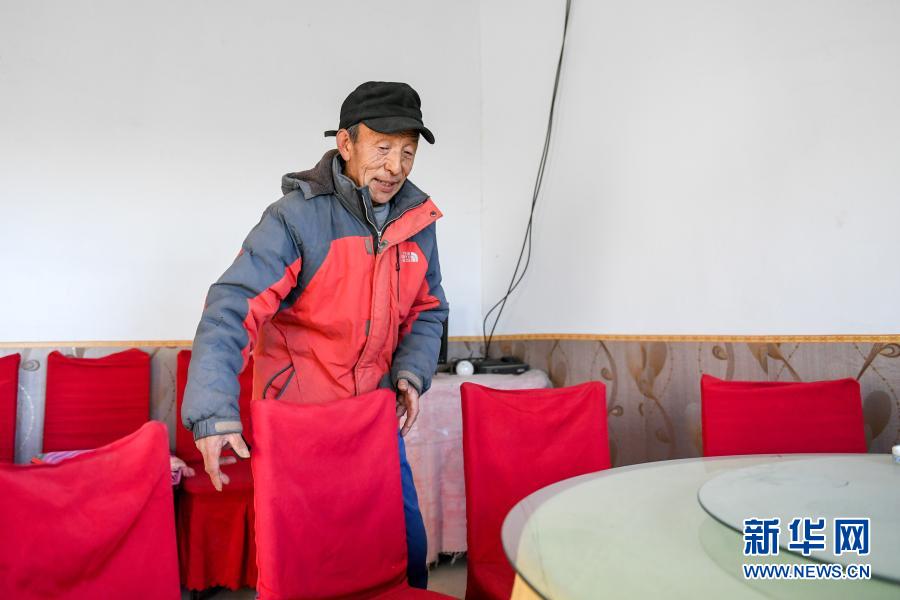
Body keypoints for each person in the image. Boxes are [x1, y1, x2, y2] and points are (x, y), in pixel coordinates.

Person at [182, 81, 448, 588]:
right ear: (346, 144)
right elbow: (231, 308)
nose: (396, 167)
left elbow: (428, 309)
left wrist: (411, 374)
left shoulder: (418, 222)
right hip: (300, 425)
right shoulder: (294, 218)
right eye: (383, 148)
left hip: (373, 419)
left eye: (408, 152)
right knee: (307, 570)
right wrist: (212, 411)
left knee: (403, 555)